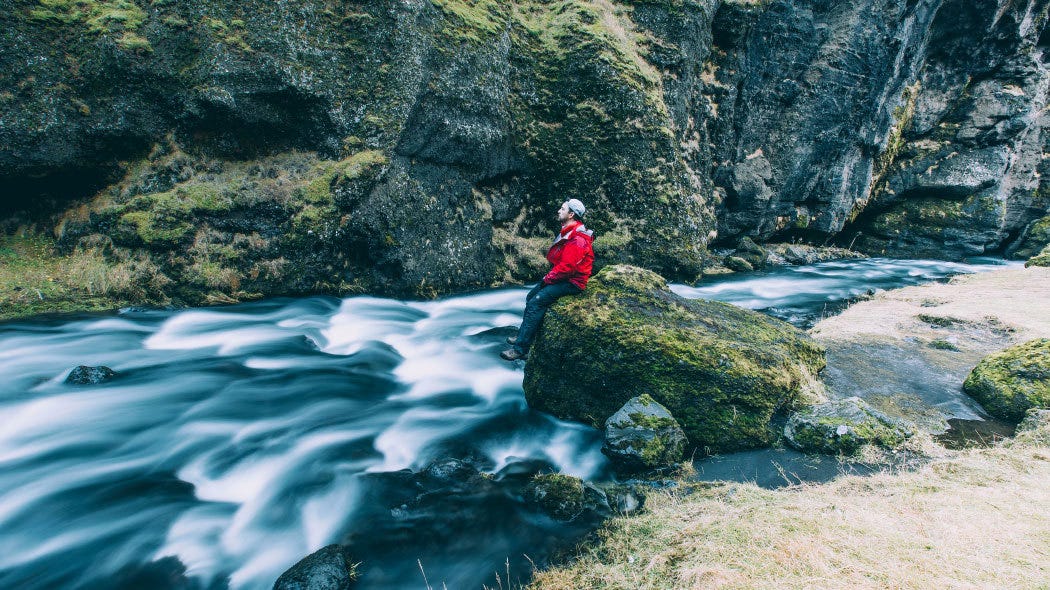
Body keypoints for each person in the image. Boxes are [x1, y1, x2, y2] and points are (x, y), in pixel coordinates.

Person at [501, 198, 594, 361]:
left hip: (573, 282)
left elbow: (567, 268)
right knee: (531, 296)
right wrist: (548, 278)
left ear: (571, 214)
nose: (559, 210)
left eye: (562, 209)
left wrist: (548, 279)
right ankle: (523, 335)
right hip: (564, 277)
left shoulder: (577, 238)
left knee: (536, 302)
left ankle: (520, 349)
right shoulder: (569, 231)